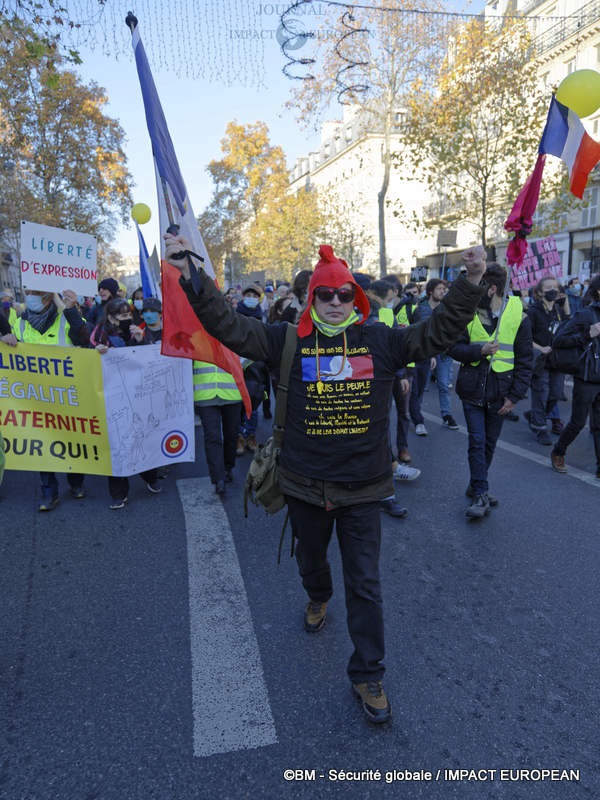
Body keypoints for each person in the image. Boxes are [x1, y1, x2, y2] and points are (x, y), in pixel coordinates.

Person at [165, 233, 487, 725]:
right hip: (304, 485)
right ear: (310, 298)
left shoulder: (381, 340)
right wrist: (193, 275)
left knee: (366, 586)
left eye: (344, 294)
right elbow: (227, 325)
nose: (335, 302)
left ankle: (368, 673)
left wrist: (471, 280)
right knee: (311, 561)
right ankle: (317, 595)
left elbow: (438, 333)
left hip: (364, 489)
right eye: (325, 294)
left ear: (356, 299)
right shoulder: (286, 340)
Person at [449, 264, 533, 518]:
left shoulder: (518, 314)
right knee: (477, 441)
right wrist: (479, 351)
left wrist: (514, 396)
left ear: (492, 288)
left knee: (489, 443)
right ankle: (481, 494)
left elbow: (526, 360)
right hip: (471, 389)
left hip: (500, 391)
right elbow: (453, 348)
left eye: (479, 285)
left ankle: (477, 484)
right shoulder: (468, 312)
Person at [11, 289, 88, 510]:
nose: (29, 296)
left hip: (66, 395)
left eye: (34, 293)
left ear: (47, 297)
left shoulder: (66, 318)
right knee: (41, 443)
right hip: (35, 396)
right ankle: (48, 491)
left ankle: (76, 482)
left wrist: (71, 310)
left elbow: (84, 338)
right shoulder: (20, 323)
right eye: (28, 292)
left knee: (71, 440)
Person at [92, 298, 162, 508]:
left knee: (141, 436)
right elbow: (88, 360)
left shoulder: (135, 332)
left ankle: (150, 476)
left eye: (129, 314)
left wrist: (140, 341)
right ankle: (118, 493)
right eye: (122, 315)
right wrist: (98, 352)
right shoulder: (99, 335)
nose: (127, 318)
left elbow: (145, 361)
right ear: (111, 317)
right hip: (111, 396)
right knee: (116, 444)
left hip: (135, 394)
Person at [551, 275, 600, 478]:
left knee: (598, 425)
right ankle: (558, 451)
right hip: (587, 378)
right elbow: (558, 340)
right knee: (578, 422)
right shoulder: (586, 314)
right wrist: (588, 334)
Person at [525, 277, 568, 445]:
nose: (553, 290)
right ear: (540, 292)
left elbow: (566, 327)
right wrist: (540, 348)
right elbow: (525, 337)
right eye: (549, 287)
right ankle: (540, 428)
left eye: (555, 287)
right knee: (541, 394)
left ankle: (535, 415)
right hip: (540, 361)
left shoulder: (558, 310)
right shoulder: (533, 311)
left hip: (557, 360)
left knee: (556, 393)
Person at [419, 279, 459, 431]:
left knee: (444, 385)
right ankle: (417, 416)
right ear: (430, 291)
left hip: (443, 353)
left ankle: (447, 415)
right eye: (439, 289)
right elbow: (420, 333)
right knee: (421, 387)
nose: (443, 291)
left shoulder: (447, 308)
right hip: (425, 354)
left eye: (444, 289)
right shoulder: (421, 308)